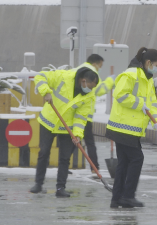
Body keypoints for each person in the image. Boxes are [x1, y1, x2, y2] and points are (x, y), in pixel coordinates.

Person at [30, 60, 99, 197]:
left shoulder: (89, 95)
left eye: (92, 88)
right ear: (83, 80)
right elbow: (40, 76)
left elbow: (81, 116)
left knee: (65, 158)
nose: (90, 90)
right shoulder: (63, 76)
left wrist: (78, 134)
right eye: (89, 87)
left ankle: (60, 188)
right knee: (44, 152)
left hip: (67, 128)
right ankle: (38, 183)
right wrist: (46, 92)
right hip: (49, 122)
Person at [106, 47, 157, 208]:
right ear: (148, 62)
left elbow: (152, 103)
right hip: (123, 126)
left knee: (124, 162)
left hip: (130, 128)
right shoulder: (131, 74)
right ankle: (128, 196)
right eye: (156, 64)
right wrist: (140, 104)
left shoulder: (148, 79)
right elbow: (119, 94)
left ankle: (117, 199)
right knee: (137, 159)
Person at [72, 54, 116, 174]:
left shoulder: (80, 69)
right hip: (85, 115)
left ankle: (64, 166)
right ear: (95, 63)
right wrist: (110, 81)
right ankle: (94, 168)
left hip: (75, 113)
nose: (99, 68)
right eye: (100, 66)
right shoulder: (91, 72)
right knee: (89, 143)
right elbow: (99, 89)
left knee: (73, 141)